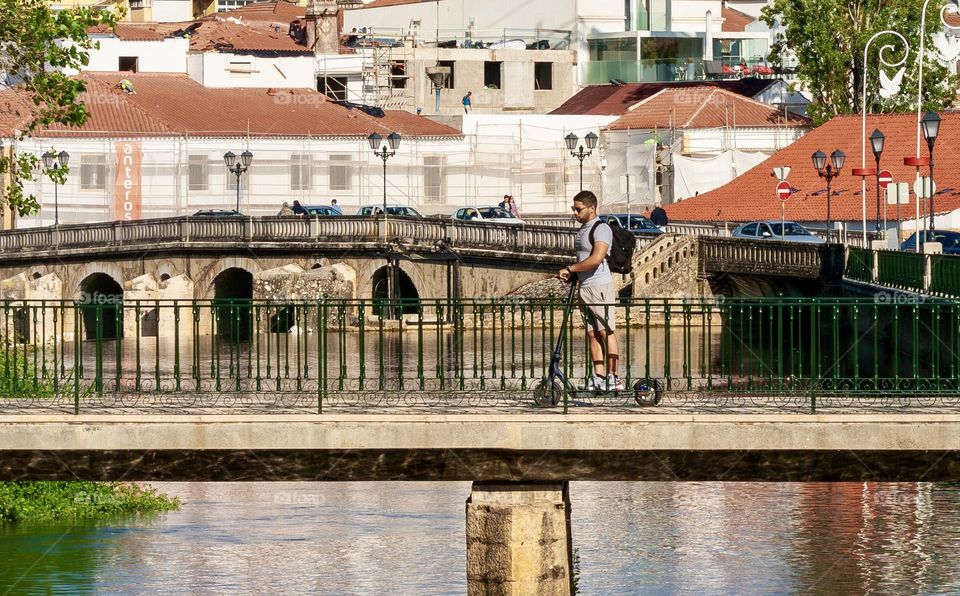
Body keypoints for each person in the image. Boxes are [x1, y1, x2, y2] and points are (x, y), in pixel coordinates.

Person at [557, 190, 622, 391]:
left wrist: (571, 268)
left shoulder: (601, 228)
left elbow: (596, 258)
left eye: (578, 209)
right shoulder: (583, 229)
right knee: (592, 334)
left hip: (599, 287)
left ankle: (614, 378)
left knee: (606, 331)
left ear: (591, 208)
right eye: (573, 209)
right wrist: (574, 275)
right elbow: (584, 261)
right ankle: (599, 377)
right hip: (585, 287)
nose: (574, 213)